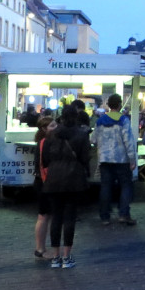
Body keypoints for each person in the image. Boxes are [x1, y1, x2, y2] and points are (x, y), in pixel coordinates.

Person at [42, 106, 90, 268]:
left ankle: (55, 257)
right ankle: (66, 256)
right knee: (70, 218)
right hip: (74, 180)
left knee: (56, 218)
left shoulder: (52, 135)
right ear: (76, 116)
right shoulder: (82, 135)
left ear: (61, 116)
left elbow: (45, 159)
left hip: (54, 179)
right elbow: (85, 158)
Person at [93, 93, 137, 226]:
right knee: (125, 186)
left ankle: (105, 217)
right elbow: (128, 141)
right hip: (122, 160)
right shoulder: (124, 120)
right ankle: (124, 215)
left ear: (108, 105)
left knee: (106, 187)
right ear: (119, 105)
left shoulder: (100, 120)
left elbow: (93, 140)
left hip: (105, 160)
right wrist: (132, 159)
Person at [33, 116, 55, 258]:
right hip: (46, 182)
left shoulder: (40, 143)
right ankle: (41, 248)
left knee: (43, 216)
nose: (56, 127)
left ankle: (40, 248)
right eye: (52, 126)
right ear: (44, 128)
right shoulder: (46, 143)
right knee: (44, 217)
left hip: (41, 182)